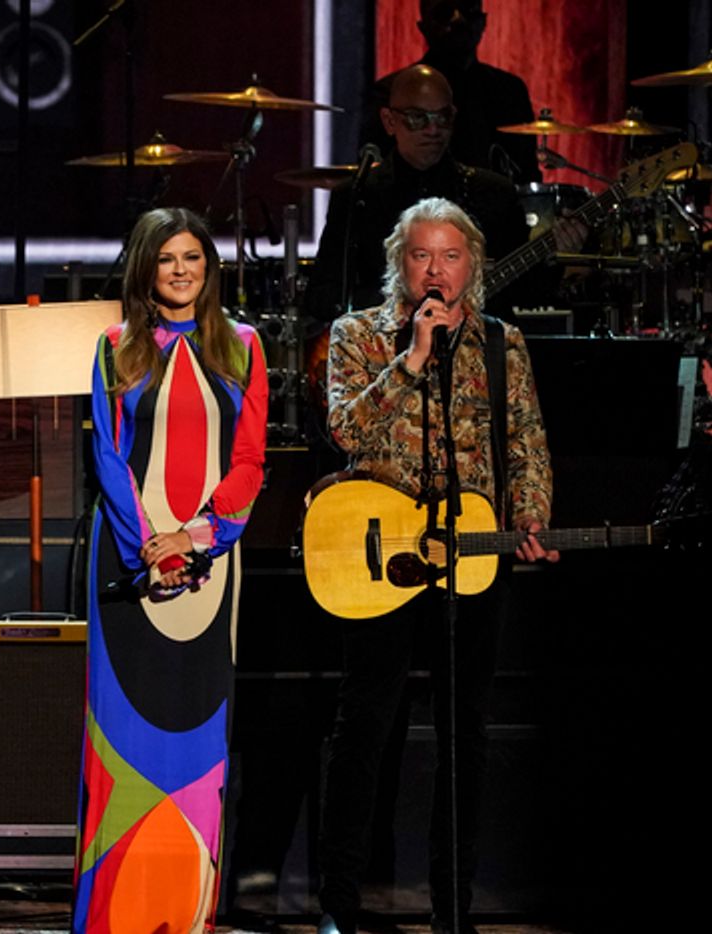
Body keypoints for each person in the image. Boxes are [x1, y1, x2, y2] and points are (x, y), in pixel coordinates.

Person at [317, 197, 556, 934]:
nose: (435, 271)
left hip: (471, 556)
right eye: (421, 255)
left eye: (450, 257)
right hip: (379, 556)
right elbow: (344, 427)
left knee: (465, 733)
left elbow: (524, 440)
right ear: (400, 263)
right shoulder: (358, 334)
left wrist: (532, 512)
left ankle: (452, 905)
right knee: (367, 726)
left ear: (472, 267)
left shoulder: (499, 343)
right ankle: (341, 903)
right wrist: (413, 358)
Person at [75, 207, 268, 933]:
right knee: (124, 740)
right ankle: (115, 915)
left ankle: (185, 915)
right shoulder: (114, 348)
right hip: (128, 562)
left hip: (212, 566)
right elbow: (108, 459)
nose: (181, 270)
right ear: (144, 269)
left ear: (209, 268)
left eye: (192, 258)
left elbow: (250, 460)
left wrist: (202, 535)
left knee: (198, 737)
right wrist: (149, 543)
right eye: (167, 259)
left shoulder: (245, 348)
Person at [308, 65, 566, 323]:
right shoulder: (358, 195)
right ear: (389, 121)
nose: (432, 130)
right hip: (383, 353)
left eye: (442, 118)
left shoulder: (493, 193)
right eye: (417, 118)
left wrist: (559, 255)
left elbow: (531, 291)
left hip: (475, 351)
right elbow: (322, 296)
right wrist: (400, 308)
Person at [360, 0, 539, 184]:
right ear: (423, 27)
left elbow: (527, 174)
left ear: (483, 21)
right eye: (444, 12)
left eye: (469, 10)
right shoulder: (390, 91)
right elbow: (375, 174)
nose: (458, 19)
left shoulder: (510, 91)